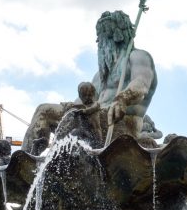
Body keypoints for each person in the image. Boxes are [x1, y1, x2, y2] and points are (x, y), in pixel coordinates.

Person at [23, 10, 157, 153]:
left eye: (105, 37)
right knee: (44, 110)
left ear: (117, 35)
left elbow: (141, 84)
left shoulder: (137, 56)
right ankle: (29, 161)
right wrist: (71, 106)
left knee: (82, 119)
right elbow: (82, 102)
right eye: (100, 39)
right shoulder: (101, 75)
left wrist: (123, 98)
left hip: (121, 123)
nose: (101, 44)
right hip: (95, 117)